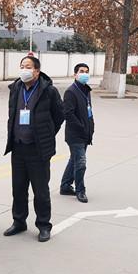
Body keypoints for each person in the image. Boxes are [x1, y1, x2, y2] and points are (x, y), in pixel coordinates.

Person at [3, 56, 64, 242]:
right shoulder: (16, 88)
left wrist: (46, 134)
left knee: (41, 191)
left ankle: (44, 225)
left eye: (28, 67)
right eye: (22, 66)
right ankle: (19, 221)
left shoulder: (49, 91)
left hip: (38, 149)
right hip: (18, 147)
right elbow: (12, 114)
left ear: (37, 71)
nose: (24, 70)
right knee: (18, 189)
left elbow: (59, 116)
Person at [60, 63, 95, 203]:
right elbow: (68, 114)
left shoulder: (86, 90)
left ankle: (65, 186)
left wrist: (91, 127)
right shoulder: (71, 92)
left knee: (74, 159)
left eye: (86, 71)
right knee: (81, 162)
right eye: (81, 71)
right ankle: (80, 190)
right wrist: (81, 127)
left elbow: (89, 111)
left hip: (85, 133)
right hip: (75, 134)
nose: (84, 74)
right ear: (75, 74)